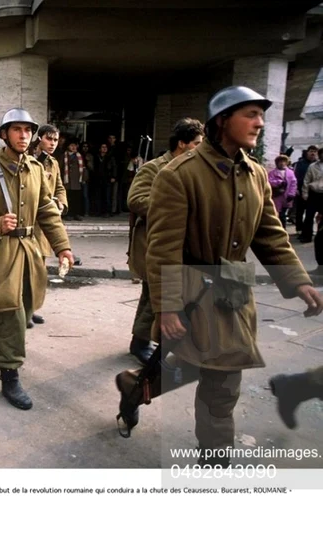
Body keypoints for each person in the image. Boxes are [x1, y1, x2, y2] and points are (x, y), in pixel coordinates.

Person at [116, 86, 323, 466]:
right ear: (221, 120)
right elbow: (163, 248)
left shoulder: (255, 173)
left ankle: (146, 394)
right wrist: (168, 308)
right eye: (249, 113)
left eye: (261, 115)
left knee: (213, 373)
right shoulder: (179, 174)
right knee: (215, 377)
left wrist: (299, 281)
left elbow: (269, 233)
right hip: (192, 290)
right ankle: (205, 453)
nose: (259, 122)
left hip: (233, 290)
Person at [0, 108, 74, 410]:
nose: (23, 135)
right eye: (17, 129)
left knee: (28, 306)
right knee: (15, 315)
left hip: (30, 250)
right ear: (4, 134)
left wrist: (62, 247)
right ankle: (10, 373)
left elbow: (46, 209)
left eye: (27, 130)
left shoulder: (36, 168)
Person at [126, 118, 204, 365]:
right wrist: (177, 208)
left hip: (183, 246)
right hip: (154, 245)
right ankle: (140, 343)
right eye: (197, 143)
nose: (201, 149)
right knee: (154, 296)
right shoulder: (154, 168)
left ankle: (159, 340)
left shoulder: (195, 170)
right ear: (182, 144)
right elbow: (136, 199)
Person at [29, 124, 68, 328]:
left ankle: (32, 307)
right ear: (40, 139)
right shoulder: (29, 159)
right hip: (28, 222)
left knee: (40, 270)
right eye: (48, 139)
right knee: (26, 268)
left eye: (55, 140)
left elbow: (60, 187)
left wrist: (60, 203)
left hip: (45, 224)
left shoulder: (53, 163)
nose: (52, 143)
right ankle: (22, 309)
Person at [299, 147, 323, 243]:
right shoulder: (313, 166)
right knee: (309, 216)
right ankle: (306, 236)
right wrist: (305, 193)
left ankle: (321, 236)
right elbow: (306, 180)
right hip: (314, 194)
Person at [267, 155, 297, 227]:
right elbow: (269, 181)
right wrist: (279, 182)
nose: (282, 163)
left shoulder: (290, 173)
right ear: (277, 163)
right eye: (280, 161)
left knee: (283, 214)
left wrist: (291, 194)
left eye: (284, 161)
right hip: (277, 196)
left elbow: (293, 184)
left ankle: (283, 228)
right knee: (276, 213)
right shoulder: (272, 173)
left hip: (286, 197)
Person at [294, 145, 318, 233]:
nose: (313, 153)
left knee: (310, 212)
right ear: (307, 152)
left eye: (315, 152)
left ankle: (308, 229)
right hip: (300, 190)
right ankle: (299, 228)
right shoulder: (300, 163)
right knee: (300, 210)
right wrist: (295, 188)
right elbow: (295, 176)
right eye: (311, 151)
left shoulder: (318, 164)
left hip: (313, 191)